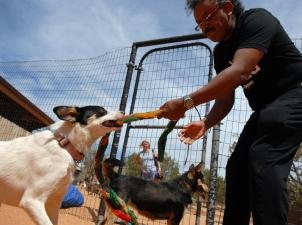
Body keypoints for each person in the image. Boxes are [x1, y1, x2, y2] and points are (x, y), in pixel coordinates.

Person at [157, 0, 302, 225]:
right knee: (236, 168)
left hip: (295, 93)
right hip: (265, 109)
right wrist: (206, 122)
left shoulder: (256, 20)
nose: (204, 26)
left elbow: (240, 71)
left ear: (227, 7)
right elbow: (225, 99)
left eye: (207, 16)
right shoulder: (220, 52)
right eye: (198, 23)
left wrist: (185, 103)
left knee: (263, 157)